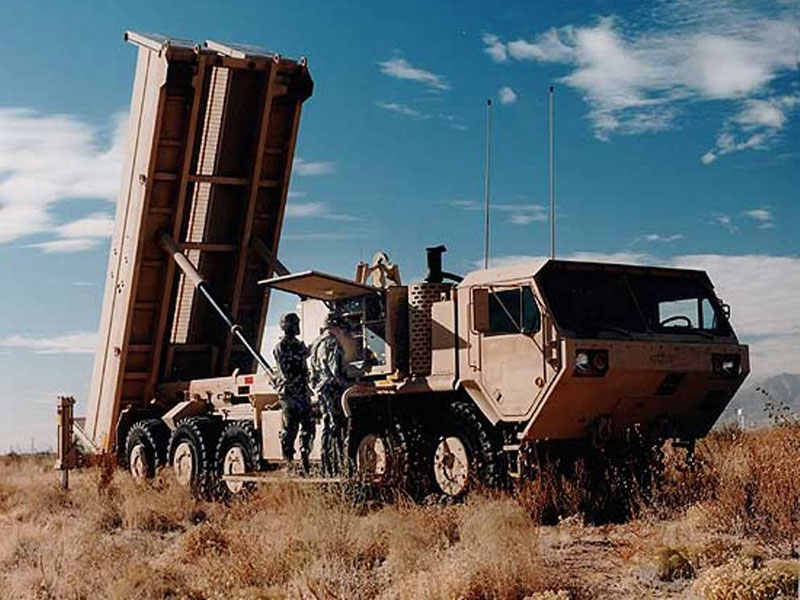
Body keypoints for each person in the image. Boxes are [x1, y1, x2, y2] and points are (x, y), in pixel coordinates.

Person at [273, 312, 315, 474]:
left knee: (308, 427)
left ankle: (304, 455)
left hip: (301, 392)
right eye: (295, 324)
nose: (298, 327)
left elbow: (306, 354)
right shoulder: (281, 347)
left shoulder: (298, 345)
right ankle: (288, 461)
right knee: (290, 429)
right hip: (290, 393)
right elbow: (286, 372)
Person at [309, 313, 348, 476]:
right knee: (336, 425)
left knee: (327, 426)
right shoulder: (332, 343)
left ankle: (327, 465)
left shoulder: (316, 343)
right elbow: (335, 371)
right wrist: (349, 385)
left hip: (321, 388)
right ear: (334, 327)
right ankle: (338, 466)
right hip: (332, 388)